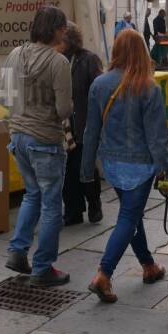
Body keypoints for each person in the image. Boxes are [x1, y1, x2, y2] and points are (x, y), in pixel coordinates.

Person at [81, 28, 168, 303]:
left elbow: (91, 131)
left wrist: (87, 170)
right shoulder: (148, 87)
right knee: (128, 217)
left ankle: (148, 266)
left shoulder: (99, 84)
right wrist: (165, 168)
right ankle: (103, 275)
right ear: (142, 51)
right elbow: (156, 137)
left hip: (111, 164)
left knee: (131, 215)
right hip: (140, 166)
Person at [1, 6, 73, 287]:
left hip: (18, 135)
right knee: (52, 205)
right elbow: (64, 109)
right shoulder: (59, 63)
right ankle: (43, 267)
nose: (65, 32)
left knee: (32, 195)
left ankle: (17, 252)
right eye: (63, 27)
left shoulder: (14, 54)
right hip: (44, 139)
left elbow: (6, 96)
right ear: (55, 29)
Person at [59, 23, 103, 226]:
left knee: (84, 169)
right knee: (69, 173)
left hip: (84, 123)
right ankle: (73, 211)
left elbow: (99, 90)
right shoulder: (59, 60)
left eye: (62, 39)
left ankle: (93, 204)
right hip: (64, 126)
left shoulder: (89, 59)